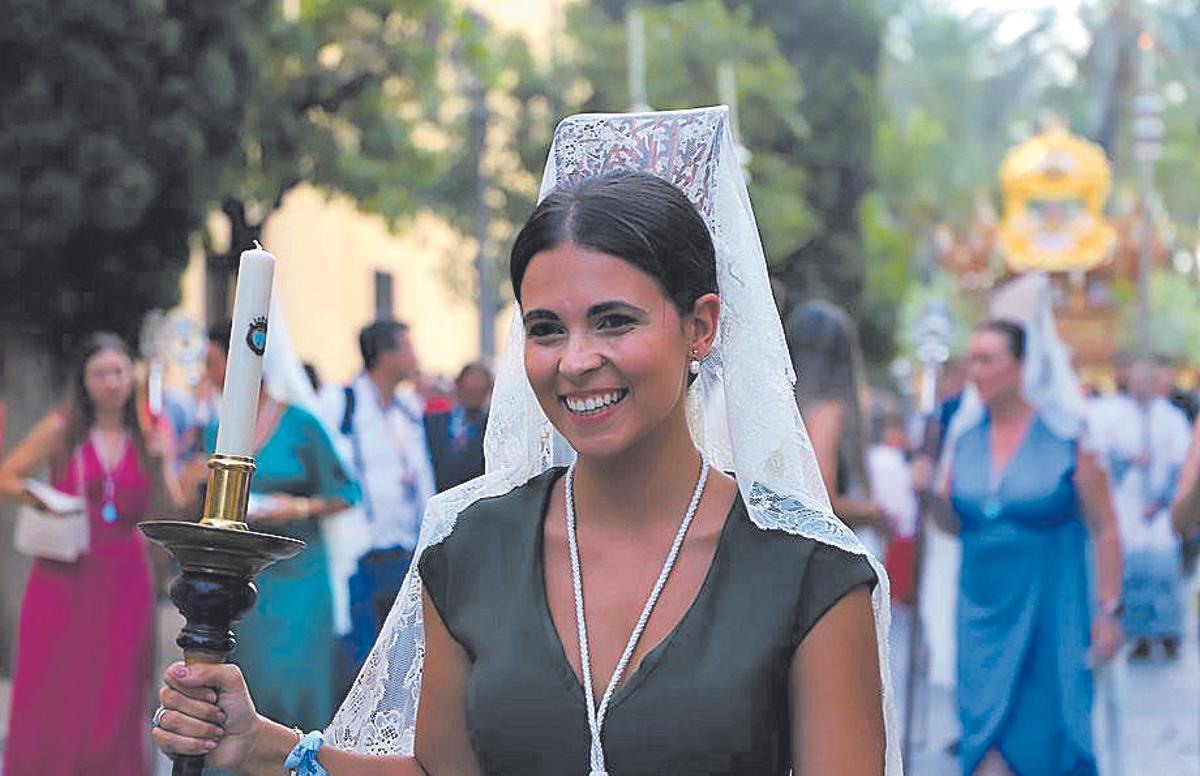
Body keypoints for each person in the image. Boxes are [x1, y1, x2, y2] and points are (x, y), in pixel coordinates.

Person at [151, 108, 898, 774]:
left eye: (614, 321)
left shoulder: (808, 573)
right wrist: (263, 746)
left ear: (700, 326)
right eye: (546, 329)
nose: (575, 361)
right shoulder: (472, 546)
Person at [914, 288, 1123, 775]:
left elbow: (1106, 527)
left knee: (1047, 750)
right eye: (972, 361)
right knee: (983, 748)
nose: (976, 372)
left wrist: (1108, 609)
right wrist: (927, 493)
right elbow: (952, 522)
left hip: (1053, 614)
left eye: (988, 360)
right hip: (981, 614)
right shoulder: (963, 440)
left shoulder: (1069, 437)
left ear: (1022, 366)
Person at [0, 332, 185, 775]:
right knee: (55, 687)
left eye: (119, 371)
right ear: (84, 380)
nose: (111, 382)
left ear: (132, 377)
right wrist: (42, 500)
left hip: (124, 575)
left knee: (117, 690)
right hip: (63, 574)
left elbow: (172, 507)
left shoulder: (152, 435)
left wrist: (163, 465)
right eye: (100, 373)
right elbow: (7, 476)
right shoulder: (61, 429)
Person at [201, 335, 361, 732]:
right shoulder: (217, 429)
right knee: (249, 683)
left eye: (213, 362)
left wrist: (298, 507)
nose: (207, 374)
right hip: (244, 577)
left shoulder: (301, 424)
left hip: (298, 574)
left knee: (294, 682)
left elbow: (345, 492)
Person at [320, 320, 437, 656]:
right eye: (408, 347)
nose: (416, 356)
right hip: (359, 554)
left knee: (403, 658)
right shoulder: (342, 402)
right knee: (360, 659)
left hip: (405, 554)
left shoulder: (407, 411)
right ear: (386, 355)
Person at [785, 300, 891, 559]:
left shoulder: (787, 408)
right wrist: (874, 513)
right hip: (825, 557)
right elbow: (823, 499)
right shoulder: (826, 412)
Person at [1103, 359, 1191, 661]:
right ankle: (1137, 633)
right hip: (1125, 504)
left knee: (1163, 571)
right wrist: (1128, 460)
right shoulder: (1113, 414)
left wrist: (1162, 497)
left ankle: (1167, 632)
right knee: (1131, 572)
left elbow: (1182, 464)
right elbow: (1102, 458)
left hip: (1160, 510)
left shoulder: (1171, 418)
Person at [423, 362, 493, 492]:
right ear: (458, 386)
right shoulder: (432, 422)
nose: (473, 396)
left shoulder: (492, 430)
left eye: (479, 391)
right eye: (469, 389)